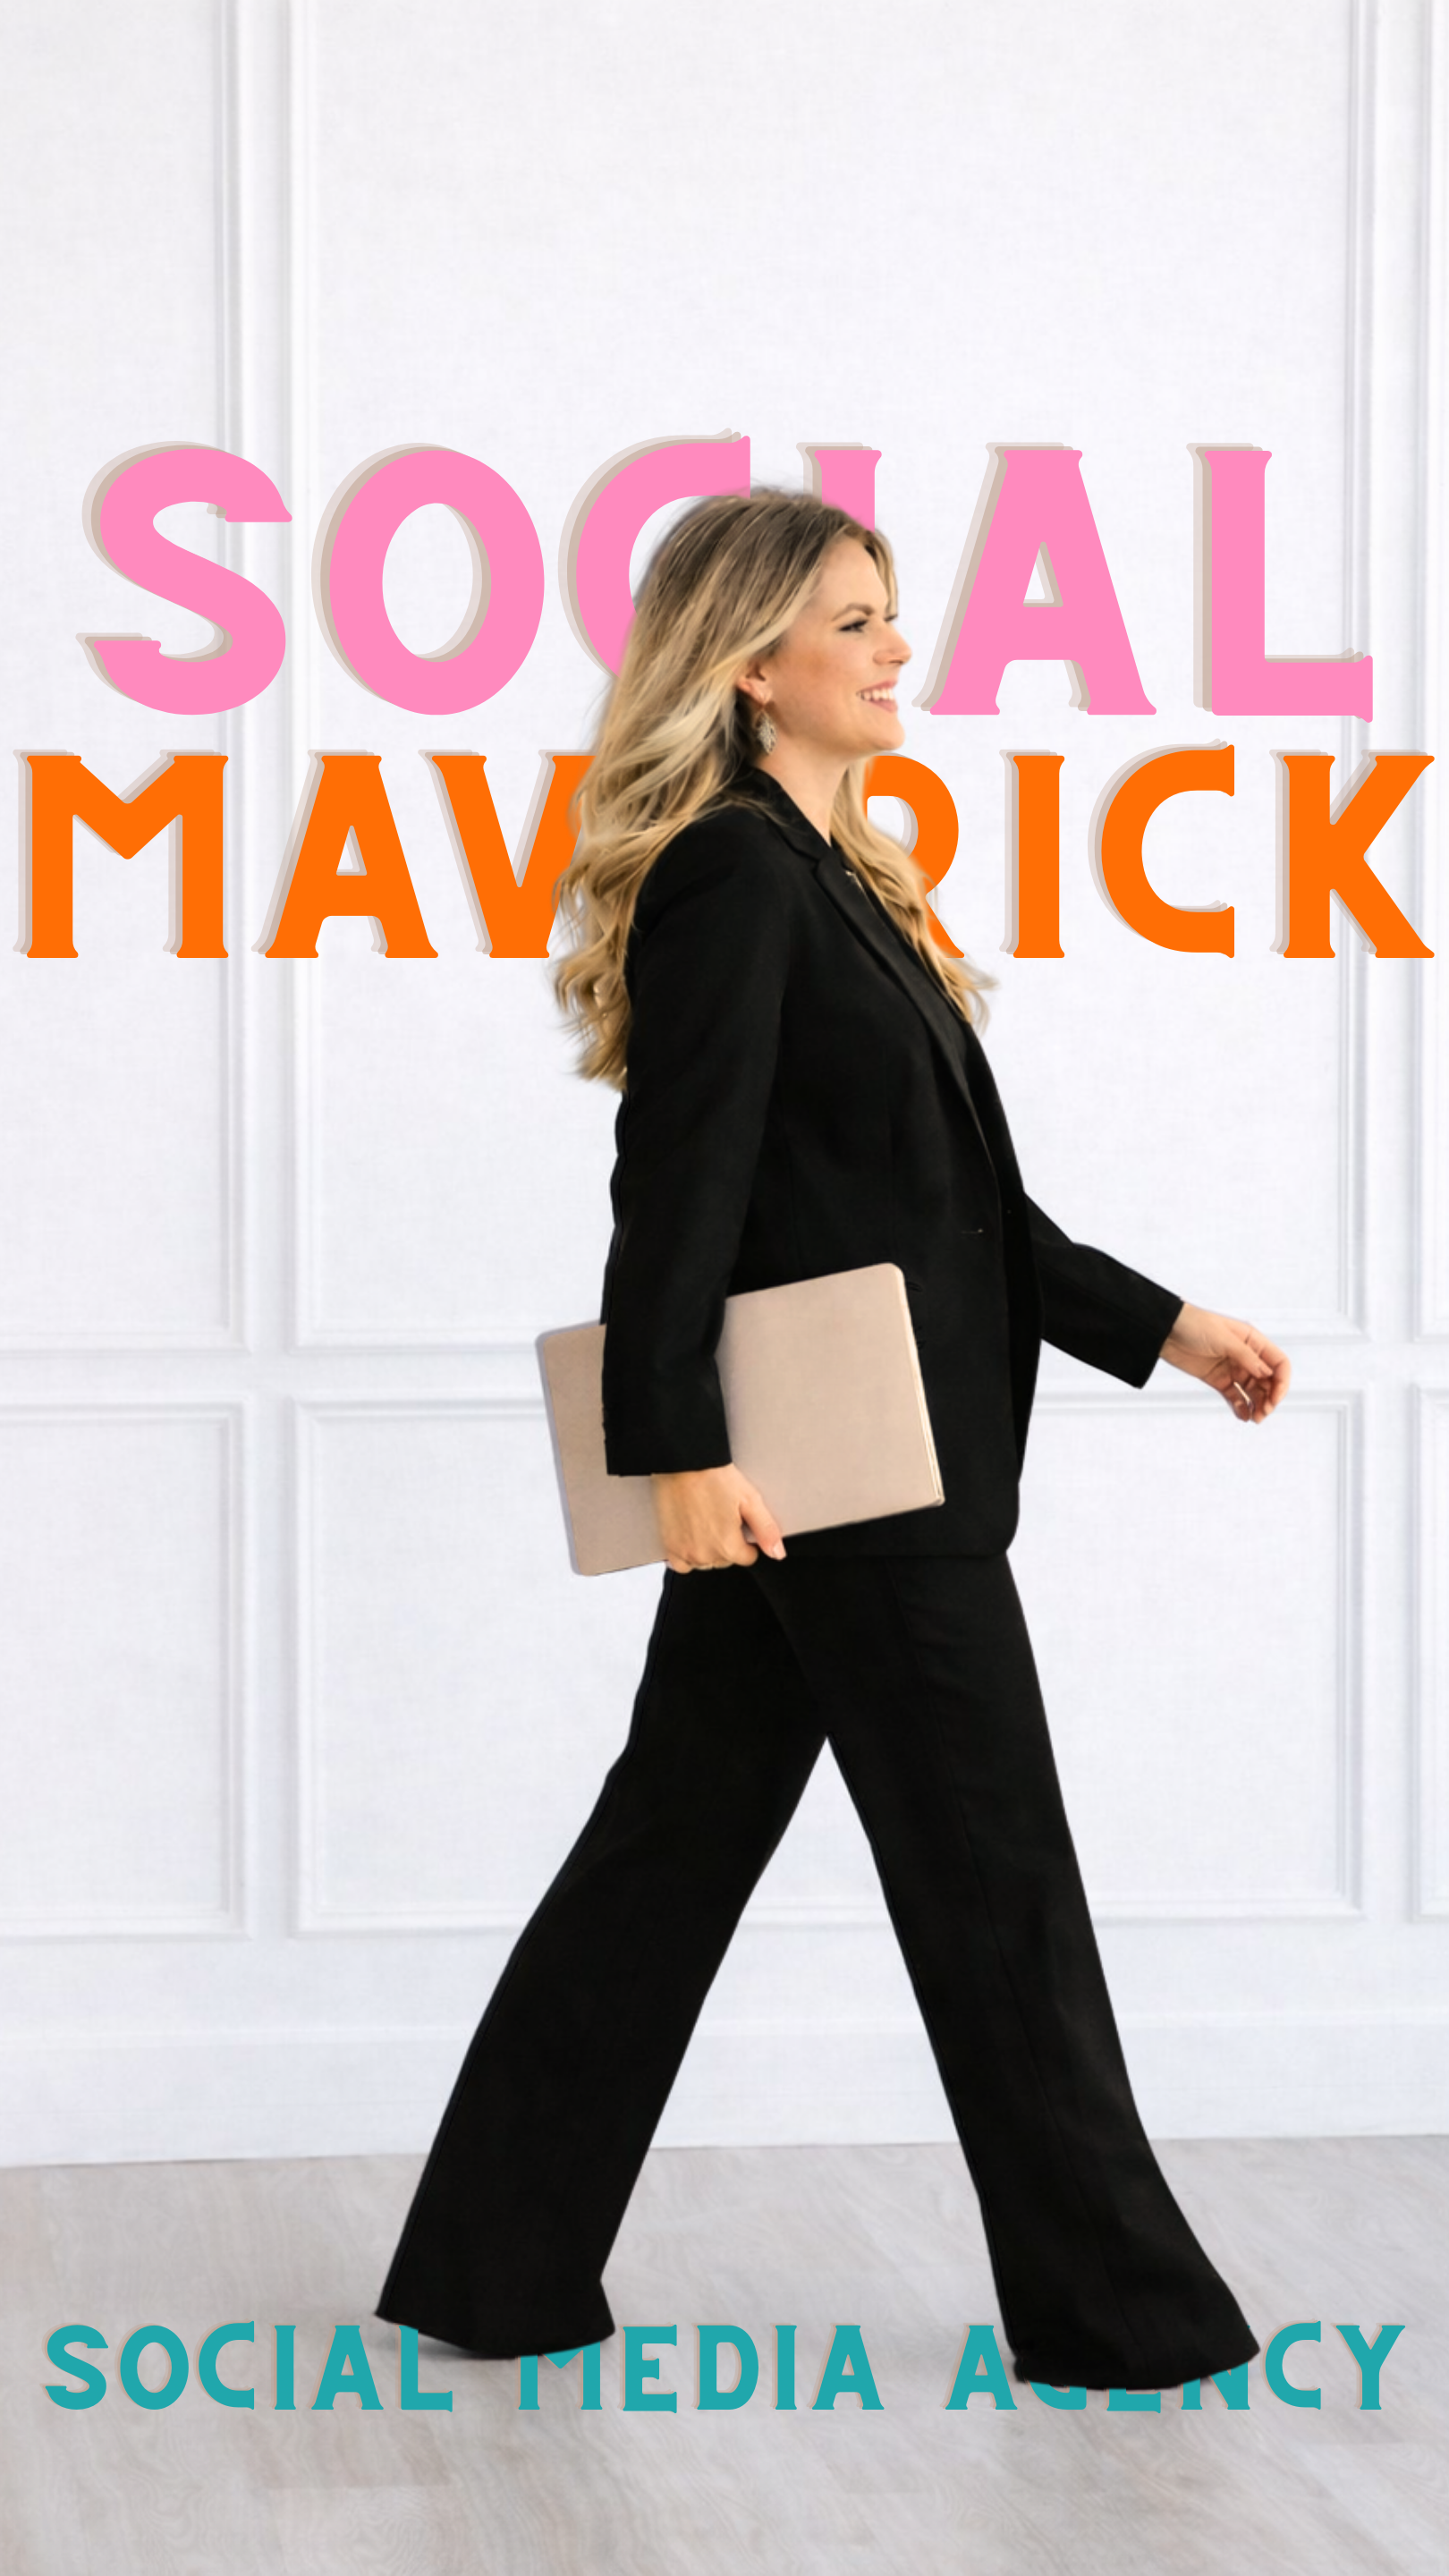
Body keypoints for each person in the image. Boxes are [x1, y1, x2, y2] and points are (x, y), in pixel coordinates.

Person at [377, 489, 1289, 2393]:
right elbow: (677, 1188)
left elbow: (954, 1209)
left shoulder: (839, 873)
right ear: (749, 664)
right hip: (849, 1480)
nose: (896, 649)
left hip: (852, 1462)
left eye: (889, 615)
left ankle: (491, 2263)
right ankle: (1119, 2317)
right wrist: (674, 1454)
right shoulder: (734, 873)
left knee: (666, 1855)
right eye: (855, 622)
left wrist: (1165, 1326)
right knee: (995, 1882)